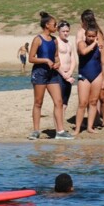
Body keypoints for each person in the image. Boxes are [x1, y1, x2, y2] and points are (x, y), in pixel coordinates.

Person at [28, 12, 71, 140]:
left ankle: (60, 131)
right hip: (39, 74)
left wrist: (57, 63)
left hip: (52, 74)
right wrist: (46, 60)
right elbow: (31, 58)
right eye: (54, 24)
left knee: (58, 101)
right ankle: (36, 131)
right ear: (47, 25)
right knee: (38, 102)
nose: (56, 27)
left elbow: (56, 56)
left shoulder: (54, 40)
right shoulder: (38, 39)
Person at [73, 21, 104, 136]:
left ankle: (90, 127)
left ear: (96, 36)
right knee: (82, 103)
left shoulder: (100, 47)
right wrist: (94, 44)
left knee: (93, 102)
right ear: (85, 36)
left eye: (93, 36)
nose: (91, 38)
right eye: (89, 36)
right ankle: (77, 128)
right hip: (84, 76)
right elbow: (83, 52)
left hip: (97, 75)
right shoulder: (81, 43)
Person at [56, 20, 76, 125]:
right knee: (58, 103)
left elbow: (73, 60)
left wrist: (70, 73)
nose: (65, 33)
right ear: (58, 31)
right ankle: (58, 127)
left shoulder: (70, 43)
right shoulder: (56, 42)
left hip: (68, 75)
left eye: (67, 31)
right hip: (59, 75)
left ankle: (61, 125)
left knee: (65, 103)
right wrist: (64, 75)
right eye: (63, 31)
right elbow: (55, 61)